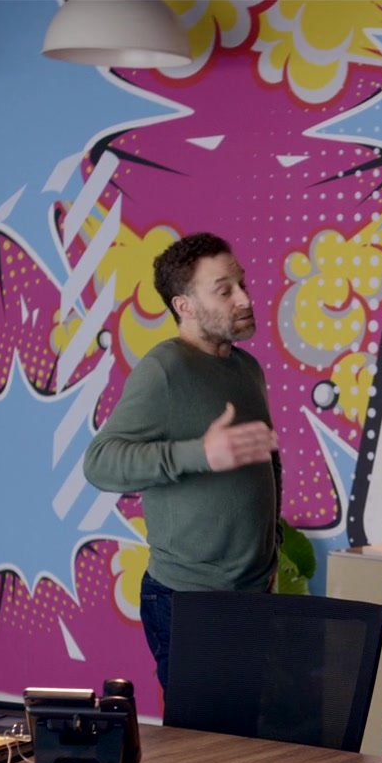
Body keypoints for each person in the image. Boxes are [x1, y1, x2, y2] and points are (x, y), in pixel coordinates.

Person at [83, 232, 280, 701]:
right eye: (224, 290)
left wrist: (271, 545)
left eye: (242, 284)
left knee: (248, 734)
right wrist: (200, 454)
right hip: (189, 600)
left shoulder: (247, 369)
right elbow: (100, 462)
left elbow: (265, 460)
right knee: (201, 739)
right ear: (184, 306)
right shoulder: (164, 370)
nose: (244, 298)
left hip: (253, 595)